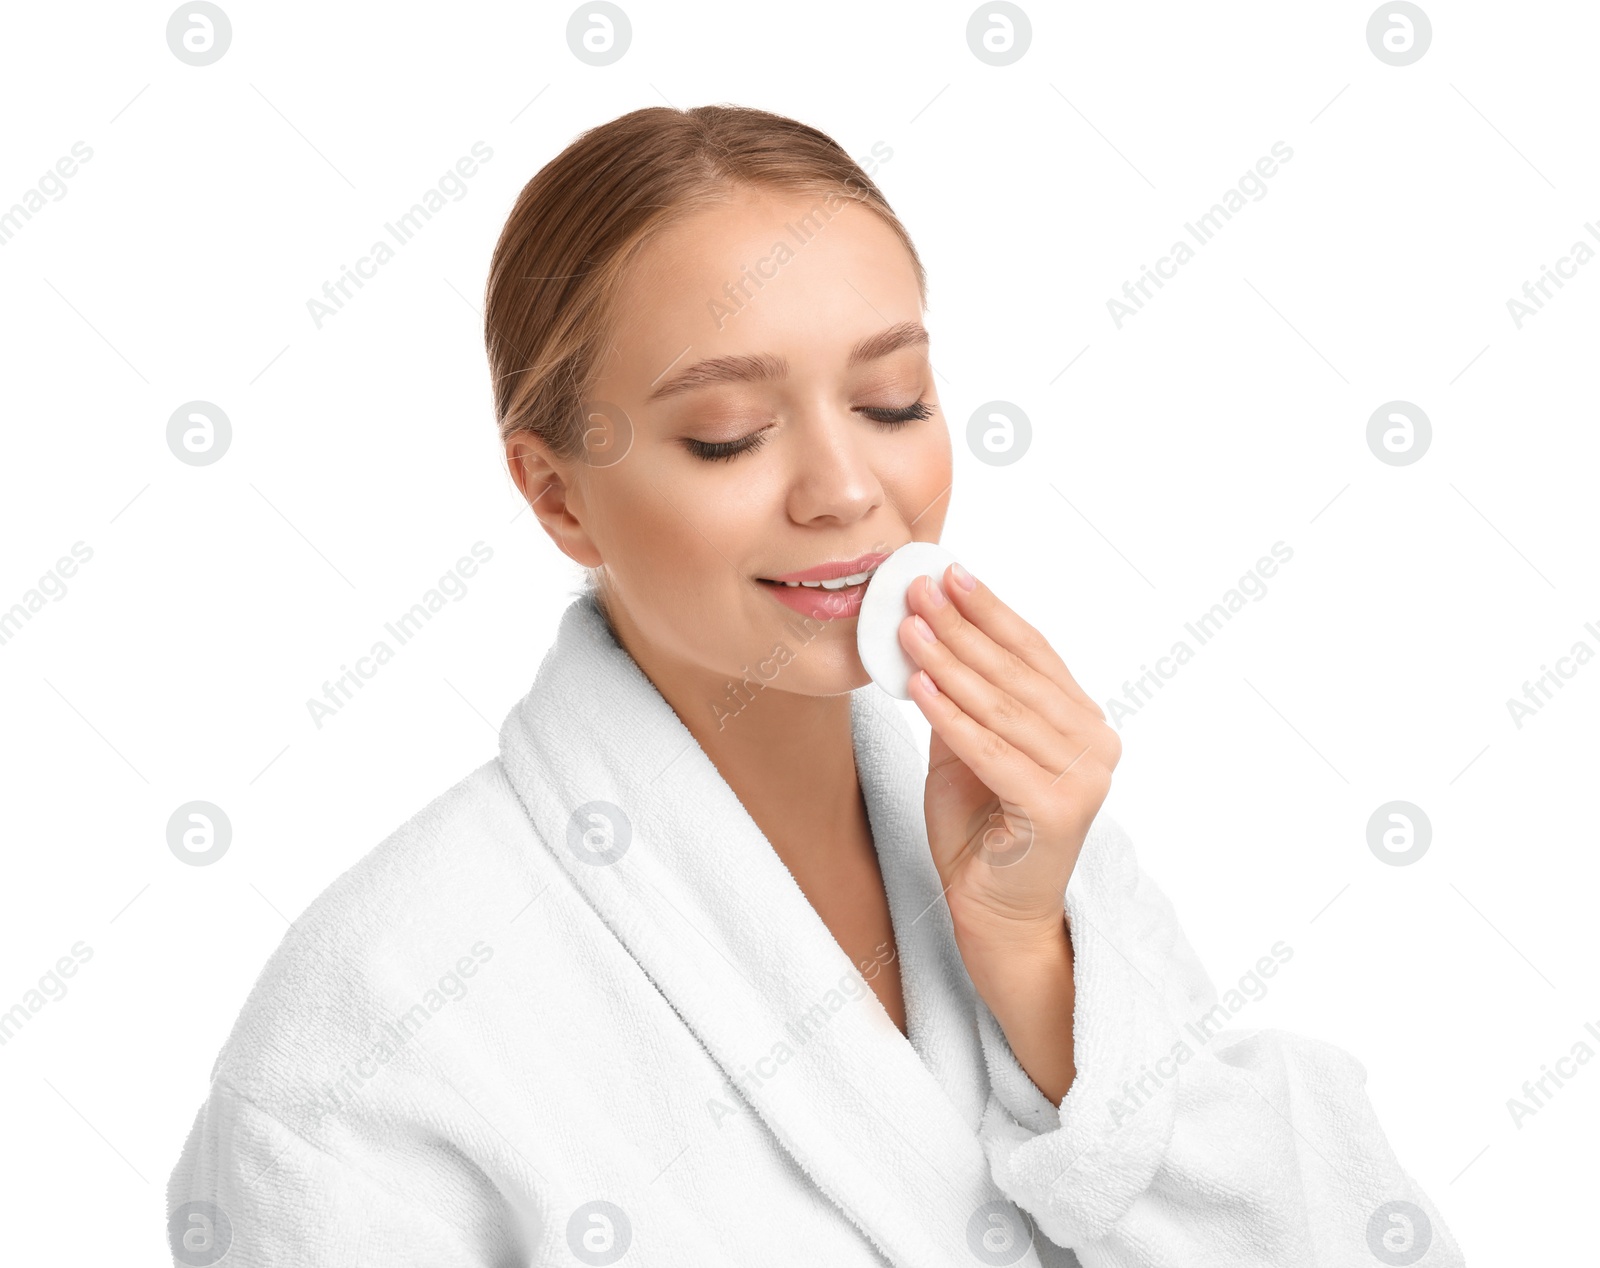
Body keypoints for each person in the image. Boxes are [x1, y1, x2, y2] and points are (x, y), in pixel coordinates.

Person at [167, 104, 1464, 1267]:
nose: (848, 491)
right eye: (727, 433)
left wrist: (1035, 969)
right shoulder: (370, 1033)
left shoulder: (1034, 853)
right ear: (558, 495)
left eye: (894, 402)